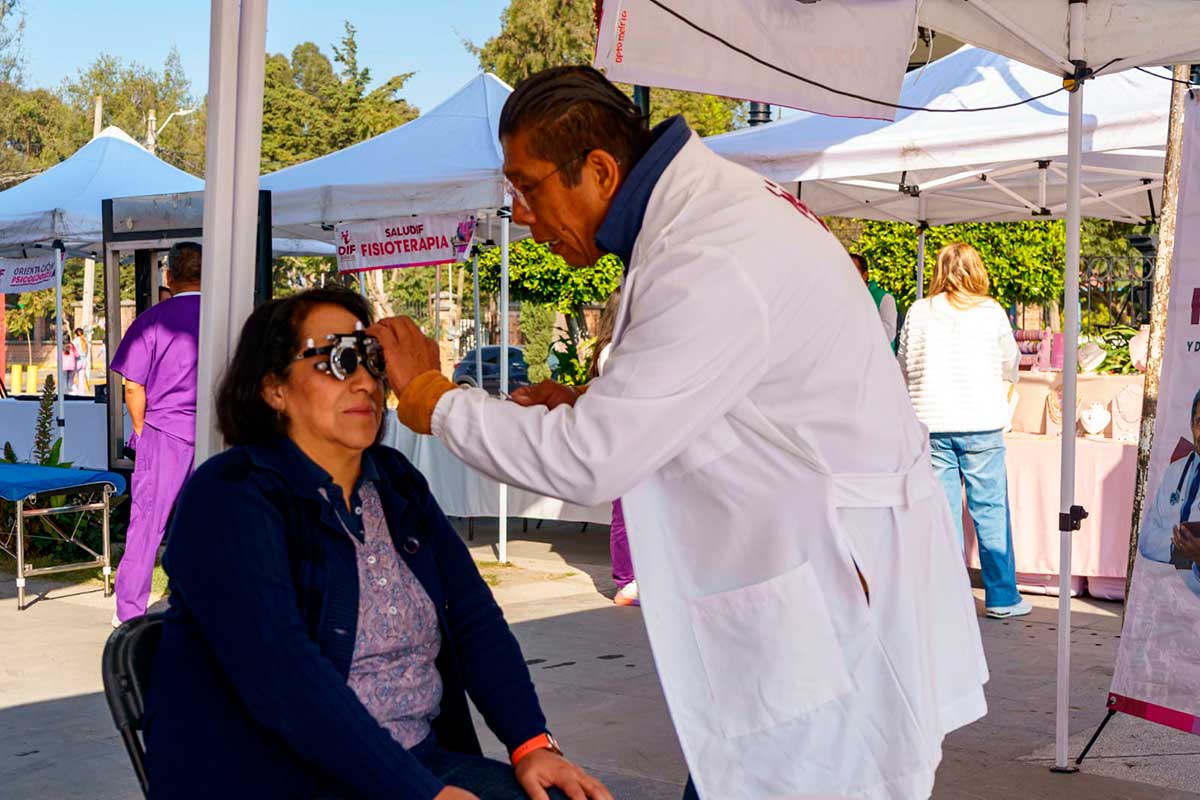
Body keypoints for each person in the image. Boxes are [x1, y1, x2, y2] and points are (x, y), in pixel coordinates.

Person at [369, 66, 987, 800]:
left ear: (598, 170)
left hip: (829, 594)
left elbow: (592, 461)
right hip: (823, 575)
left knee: (798, 771)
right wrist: (593, 402)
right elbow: (733, 404)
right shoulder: (707, 217)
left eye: (529, 186)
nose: (523, 213)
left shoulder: (708, 254)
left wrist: (434, 399)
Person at [144, 288, 610, 800]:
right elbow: (285, 678)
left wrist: (531, 743)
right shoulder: (230, 495)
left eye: (370, 360)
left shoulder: (393, 482)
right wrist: (418, 793)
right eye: (337, 361)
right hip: (282, 778)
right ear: (273, 388)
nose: (365, 381)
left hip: (419, 762)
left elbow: (473, 617)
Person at [897, 242, 1029, 619]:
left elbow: (903, 364)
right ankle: (1002, 597)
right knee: (990, 510)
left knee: (942, 513)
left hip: (931, 423)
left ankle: (950, 598)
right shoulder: (990, 312)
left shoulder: (919, 311)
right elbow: (1010, 362)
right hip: (981, 422)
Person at [109, 241, 202, 626]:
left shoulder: (152, 320)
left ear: (168, 276)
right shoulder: (227, 318)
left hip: (164, 431)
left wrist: (140, 429)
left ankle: (129, 611)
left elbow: (133, 386)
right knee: (216, 520)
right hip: (216, 428)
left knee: (147, 524)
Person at [590, 291, 637, 606]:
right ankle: (625, 581)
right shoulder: (610, 353)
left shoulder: (618, 351)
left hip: (632, 441)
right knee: (624, 514)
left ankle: (633, 578)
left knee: (633, 513)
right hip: (621, 442)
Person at [1138, 388, 1200, 599]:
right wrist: (1183, 548)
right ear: (1192, 425)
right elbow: (1146, 541)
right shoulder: (1176, 469)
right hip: (1169, 598)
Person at [851, 253, 898, 351]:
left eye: (852, 271)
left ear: (865, 275)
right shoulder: (842, 297)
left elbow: (888, 334)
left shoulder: (885, 298)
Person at [71, 327, 91, 394]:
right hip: (84, 361)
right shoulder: (85, 340)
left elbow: (72, 350)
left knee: (70, 377)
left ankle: (74, 390)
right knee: (81, 379)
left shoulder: (76, 340)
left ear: (76, 334)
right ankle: (82, 393)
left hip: (77, 361)